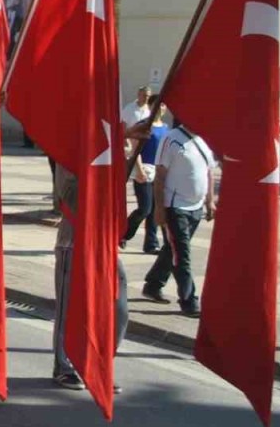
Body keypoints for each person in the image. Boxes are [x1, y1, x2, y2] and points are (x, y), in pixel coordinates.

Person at [51, 164, 128, 392]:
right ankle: (63, 366)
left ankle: (98, 365)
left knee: (118, 308)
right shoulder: (68, 154)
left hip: (104, 244)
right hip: (72, 242)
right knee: (68, 310)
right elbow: (68, 197)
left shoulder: (110, 147)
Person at [141, 121, 215, 317]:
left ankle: (153, 284)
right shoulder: (171, 138)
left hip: (196, 208)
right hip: (175, 207)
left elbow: (209, 172)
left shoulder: (205, 139)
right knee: (182, 255)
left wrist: (210, 201)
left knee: (172, 249)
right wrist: (159, 208)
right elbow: (160, 176)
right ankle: (189, 300)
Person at [122, 96, 167, 253]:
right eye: (158, 105)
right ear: (151, 106)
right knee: (145, 208)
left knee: (155, 209)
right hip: (144, 170)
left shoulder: (166, 128)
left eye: (163, 105)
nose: (161, 108)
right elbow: (136, 149)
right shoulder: (143, 125)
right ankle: (123, 234)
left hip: (159, 171)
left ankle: (151, 243)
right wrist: (139, 170)